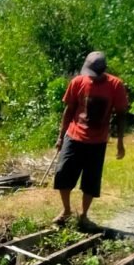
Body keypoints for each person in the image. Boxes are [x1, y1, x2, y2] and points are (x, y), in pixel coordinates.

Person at [53, 51, 128, 230]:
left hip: (98, 141)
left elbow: (121, 114)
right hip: (74, 136)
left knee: (91, 181)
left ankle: (84, 216)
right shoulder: (78, 82)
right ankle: (66, 211)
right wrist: (61, 137)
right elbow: (69, 110)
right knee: (63, 173)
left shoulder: (115, 85)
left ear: (104, 70)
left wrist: (120, 142)